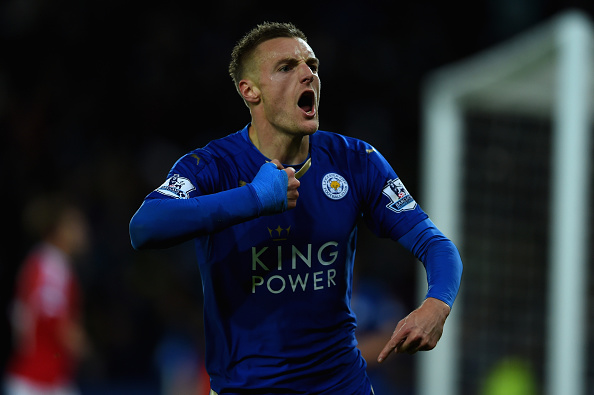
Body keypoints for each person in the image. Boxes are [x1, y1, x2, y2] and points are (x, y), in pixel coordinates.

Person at [129, 22, 463, 394]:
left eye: (312, 65)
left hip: (341, 385)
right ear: (250, 91)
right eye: (287, 67)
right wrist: (253, 199)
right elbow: (145, 226)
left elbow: (435, 243)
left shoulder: (355, 161)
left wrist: (437, 304)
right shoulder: (213, 166)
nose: (308, 74)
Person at [4, 194, 90, 395]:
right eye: (75, 225)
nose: (83, 231)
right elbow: (51, 318)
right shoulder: (51, 266)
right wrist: (78, 341)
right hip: (38, 382)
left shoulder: (45, 261)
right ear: (59, 230)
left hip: (48, 377)